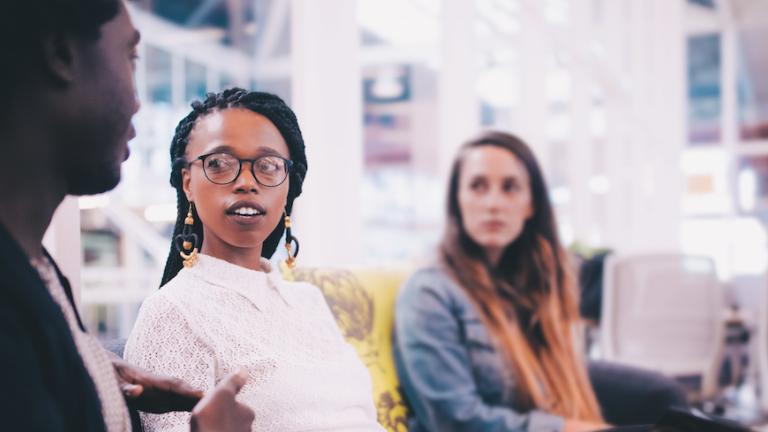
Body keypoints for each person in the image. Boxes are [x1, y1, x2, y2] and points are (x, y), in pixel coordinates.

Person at [0, 1, 254, 431]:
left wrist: (93, 373)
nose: (138, 103)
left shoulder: (36, 273)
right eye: (130, 57)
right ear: (61, 55)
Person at [124, 88, 385, 432]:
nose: (246, 182)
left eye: (268, 166)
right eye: (218, 164)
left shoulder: (309, 300)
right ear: (188, 182)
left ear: (288, 185)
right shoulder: (172, 312)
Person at [393, 131, 609, 432]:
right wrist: (566, 428)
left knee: (660, 394)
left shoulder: (533, 282)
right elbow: (455, 421)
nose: (493, 203)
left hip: (539, 417)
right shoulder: (429, 293)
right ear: (458, 200)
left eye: (510, 187)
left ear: (531, 204)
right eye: (477, 186)